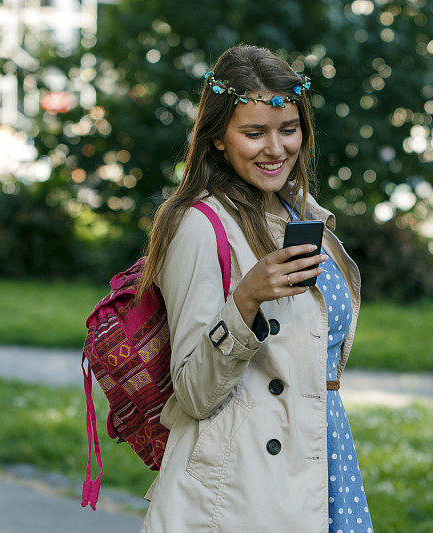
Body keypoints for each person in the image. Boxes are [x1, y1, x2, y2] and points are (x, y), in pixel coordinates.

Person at [136, 44, 374, 532]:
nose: (276, 148)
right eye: (253, 133)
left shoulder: (298, 214)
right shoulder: (199, 225)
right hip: (244, 484)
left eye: (288, 130)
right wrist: (246, 299)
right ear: (218, 137)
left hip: (318, 451)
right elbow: (193, 391)